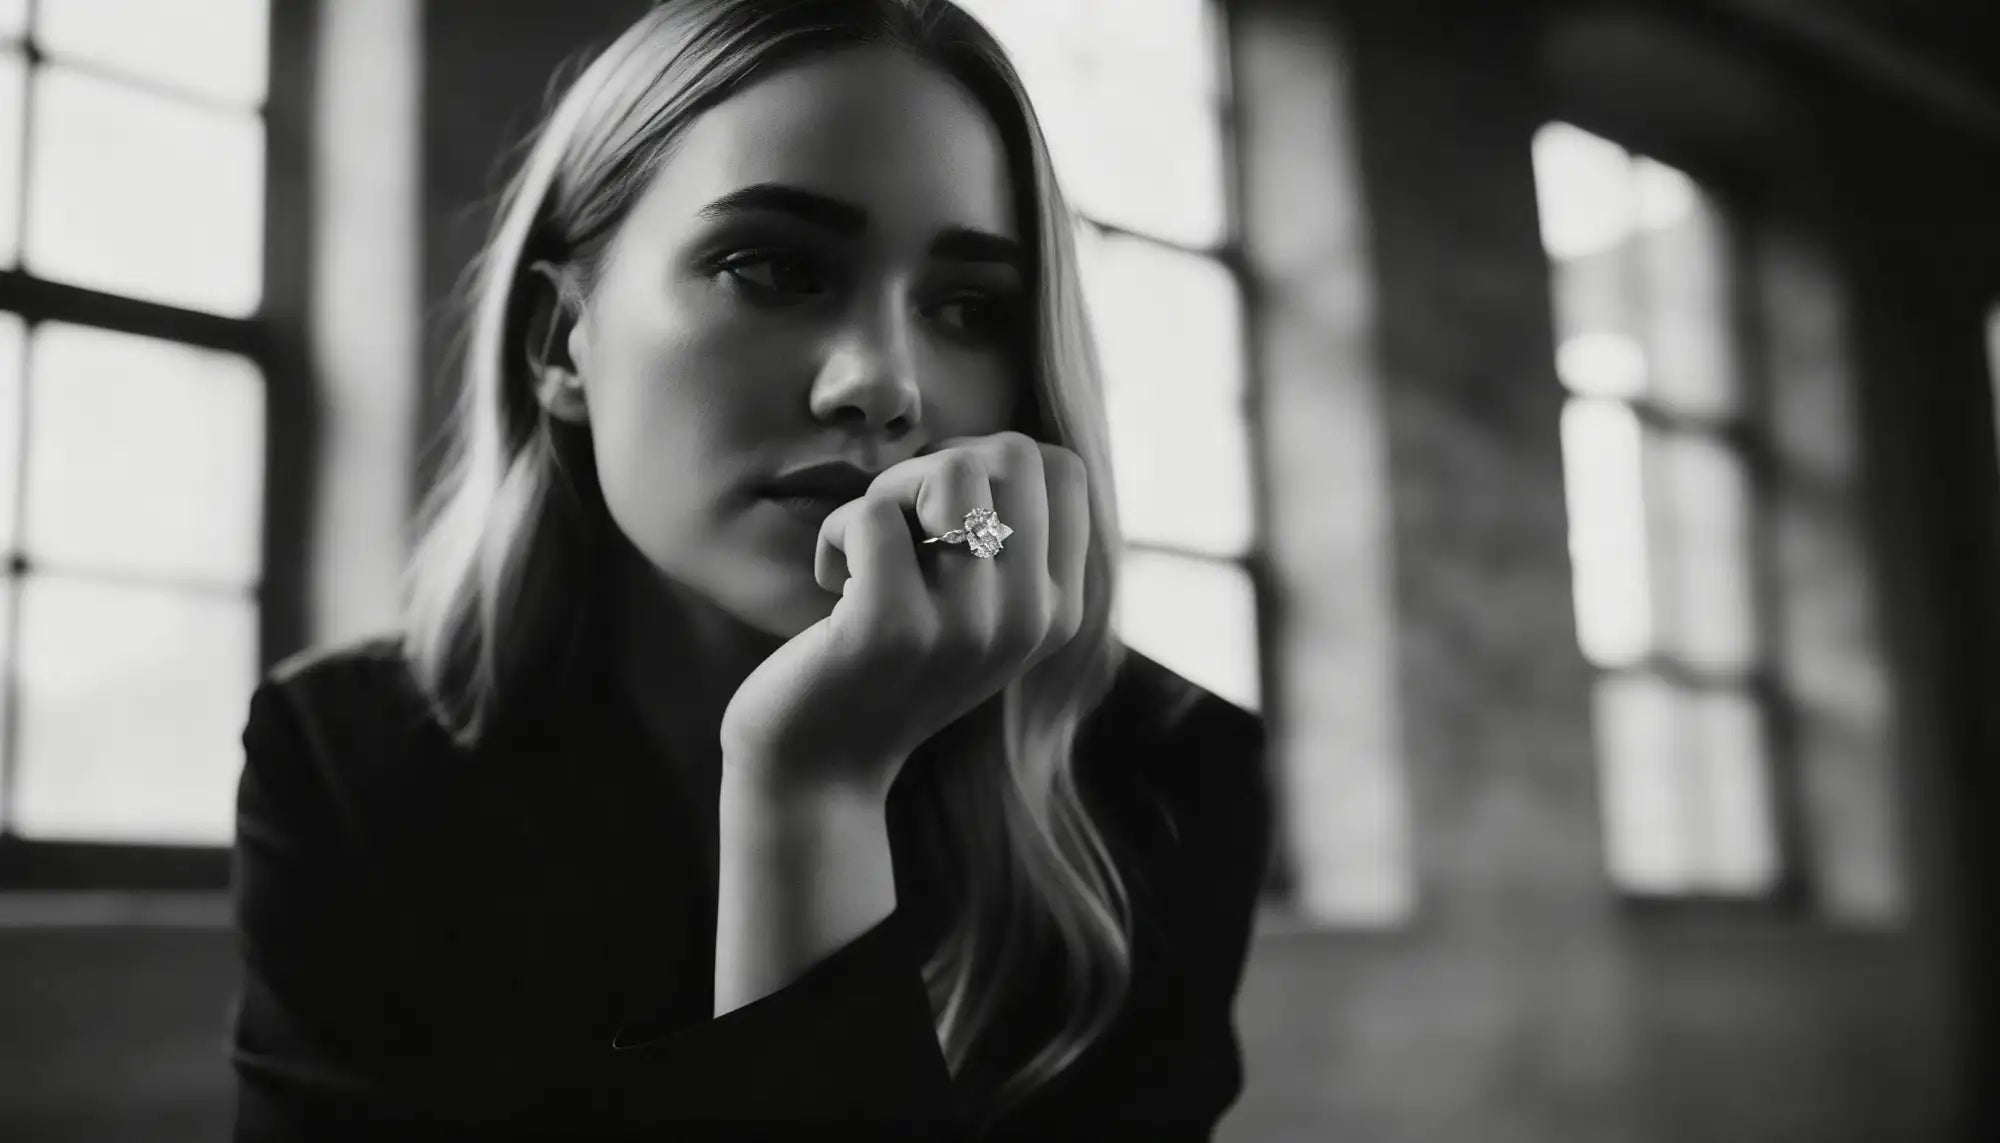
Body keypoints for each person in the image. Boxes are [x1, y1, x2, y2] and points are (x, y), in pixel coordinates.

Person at [227, 1, 1272, 1138]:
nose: (882, 385)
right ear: (556, 343)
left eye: (969, 307)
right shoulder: (346, 759)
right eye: (772, 267)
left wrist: (809, 790)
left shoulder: (1163, 779)